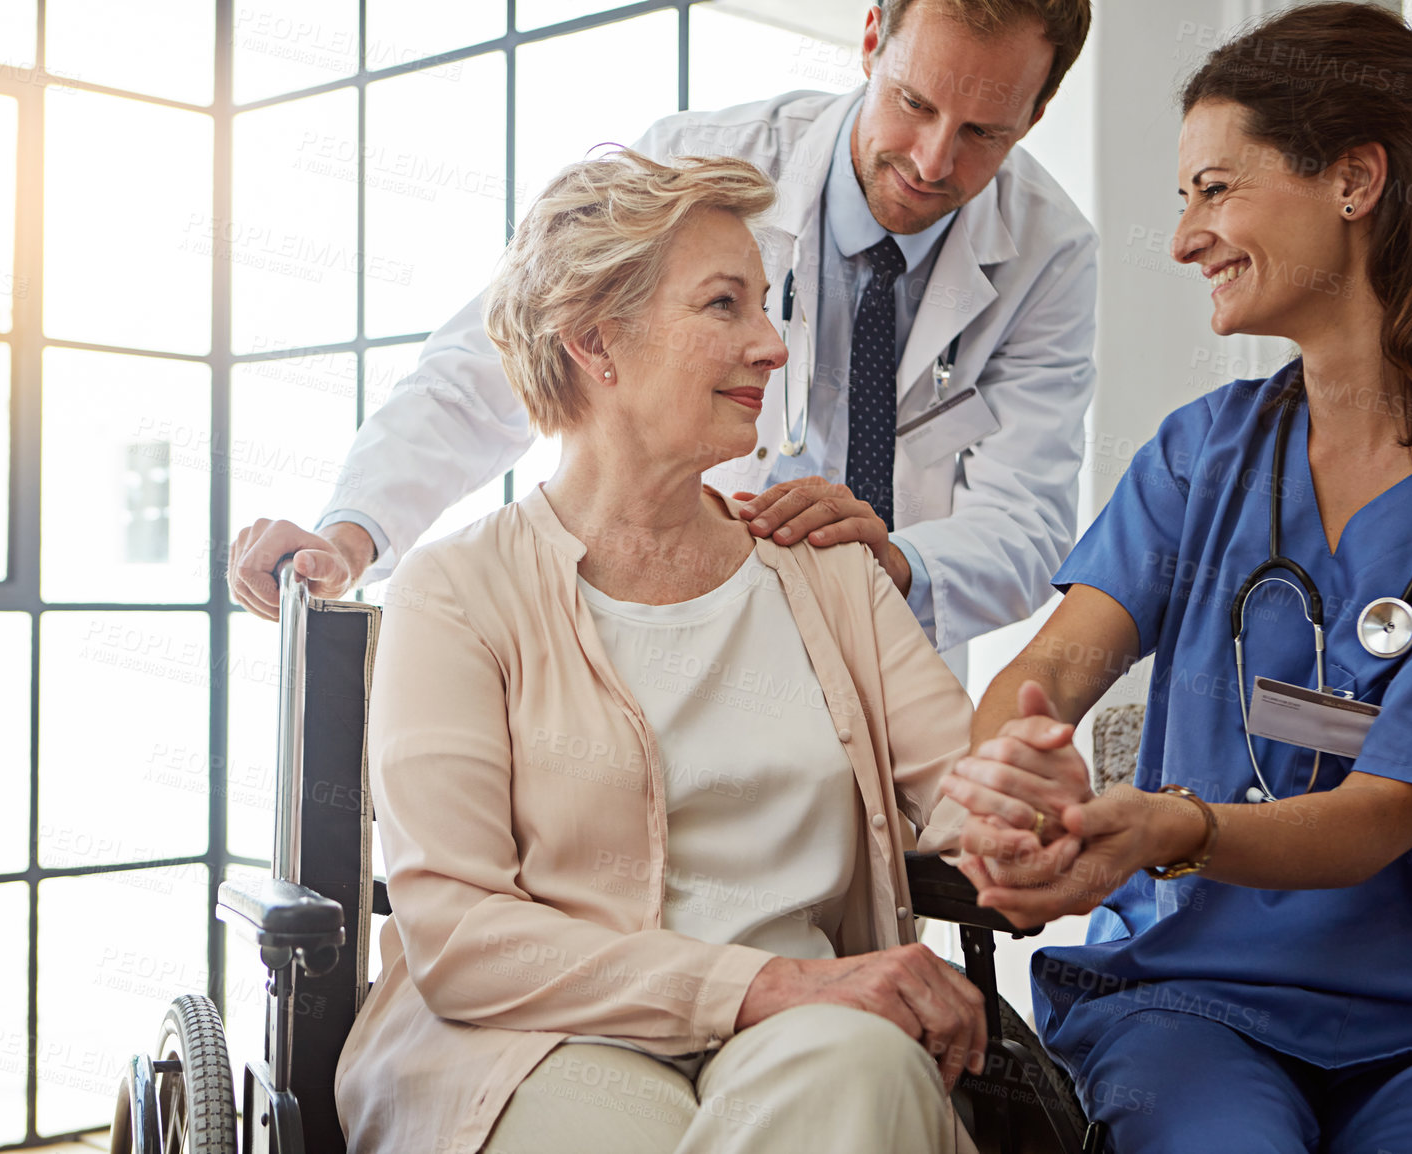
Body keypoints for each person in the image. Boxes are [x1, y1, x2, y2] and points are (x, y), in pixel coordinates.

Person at [935, 5, 1412, 1150]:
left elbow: (1376, 820)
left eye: (1213, 190)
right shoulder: (1200, 455)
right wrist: (1014, 773)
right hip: (1195, 997)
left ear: (1354, 182)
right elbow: (1049, 668)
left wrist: (1169, 827)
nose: (1183, 239)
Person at [334, 150, 987, 1154]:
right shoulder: (457, 589)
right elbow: (461, 938)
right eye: (723, 305)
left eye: (765, 305)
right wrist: (764, 982)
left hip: (801, 1027)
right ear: (597, 340)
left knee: (862, 1070)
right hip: (523, 1037)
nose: (772, 345)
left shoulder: (824, 565)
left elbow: (971, 793)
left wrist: (1034, 807)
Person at [229, 0, 1098, 676]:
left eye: (987, 132)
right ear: (872, 38)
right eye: (914, 103)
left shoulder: (1050, 252)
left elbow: (1024, 524)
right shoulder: (700, 167)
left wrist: (891, 565)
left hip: (876, 647)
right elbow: (490, 370)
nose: (934, 161)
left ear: (1040, 107)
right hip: (658, 616)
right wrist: (351, 537)